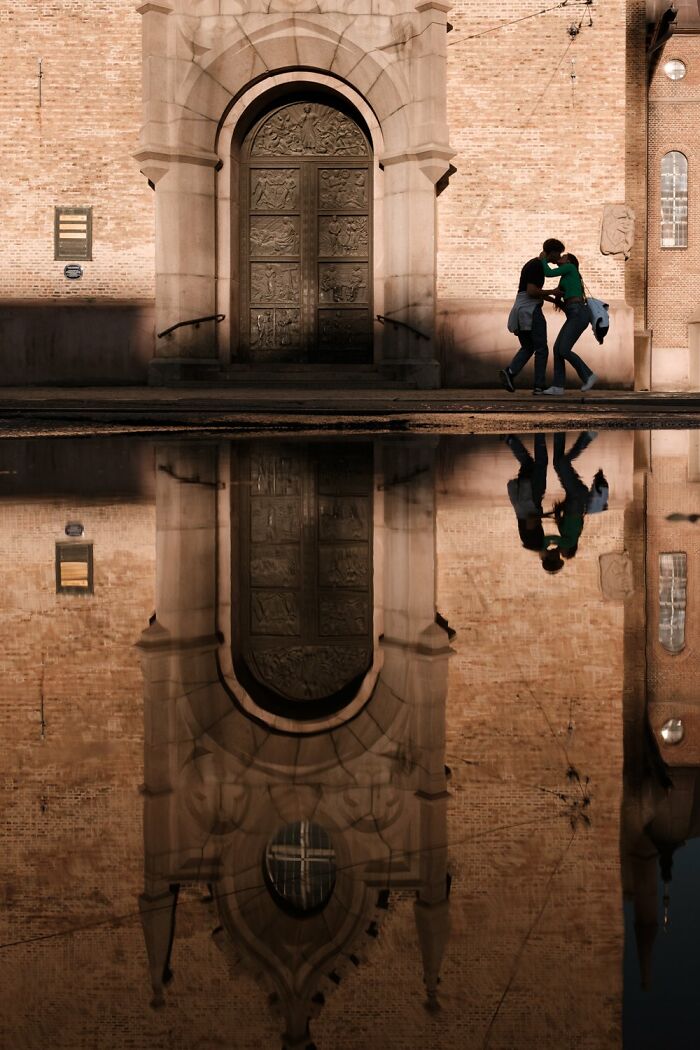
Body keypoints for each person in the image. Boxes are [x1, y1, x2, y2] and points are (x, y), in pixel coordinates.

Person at [500, 239, 565, 395]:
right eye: (559, 253)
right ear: (553, 252)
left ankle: (510, 372)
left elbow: (533, 292)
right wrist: (554, 292)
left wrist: (555, 300)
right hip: (530, 310)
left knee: (528, 347)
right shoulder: (537, 266)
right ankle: (538, 386)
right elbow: (532, 292)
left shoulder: (534, 264)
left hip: (520, 309)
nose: (560, 257)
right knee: (541, 348)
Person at [539, 431, 597, 572]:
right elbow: (548, 539)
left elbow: (554, 536)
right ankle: (587, 437)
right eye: (563, 554)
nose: (560, 553)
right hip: (576, 496)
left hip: (575, 496)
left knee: (557, 463)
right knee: (563, 463)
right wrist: (542, 551)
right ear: (570, 548)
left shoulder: (566, 536)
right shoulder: (569, 541)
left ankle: (559, 431)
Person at [540, 253, 598, 395]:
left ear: (569, 261)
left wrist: (542, 259)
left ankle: (588, 376)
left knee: (564, 349)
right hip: (574, 314)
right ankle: (558, 387)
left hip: (579, 313)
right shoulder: (565, 277)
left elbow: (548, 272)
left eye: (564, 256)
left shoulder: (570, 268)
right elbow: (558, 299)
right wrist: (541, 294)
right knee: (557, 348)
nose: (561, 256)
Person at [505, 433, 548, 552]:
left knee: (541, 462)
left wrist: (542, 516)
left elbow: (531, 519)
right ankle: (510, 440)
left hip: (531, 496)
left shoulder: (532, 535)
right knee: (528, 463)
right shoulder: (524, 532)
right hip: (522, 494)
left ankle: (540, 432)